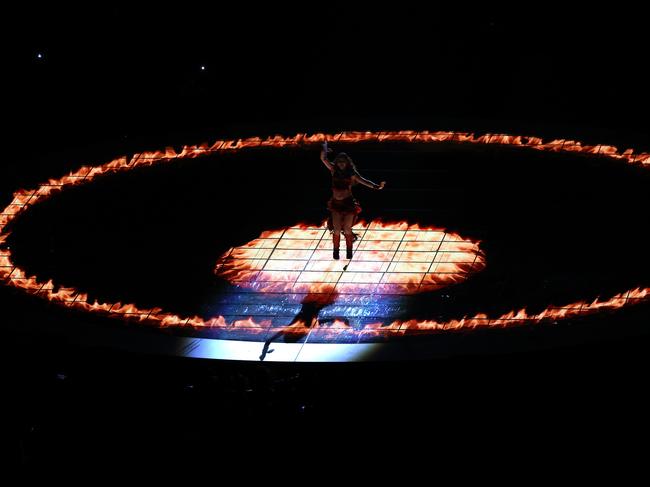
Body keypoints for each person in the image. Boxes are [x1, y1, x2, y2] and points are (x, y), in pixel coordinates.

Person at [320, 144, 385, 260]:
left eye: (343, 162)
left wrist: (376, 186)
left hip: (348, 204)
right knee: (336, 229)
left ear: (347, 163)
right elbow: (324, 159)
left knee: (347, 229)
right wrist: (324, 149)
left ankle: (349, 251)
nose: (341, 164)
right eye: (339, 161)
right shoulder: (333, 170)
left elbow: (363, 181)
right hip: (336, 204)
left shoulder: (352, 174)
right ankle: (336, 251)